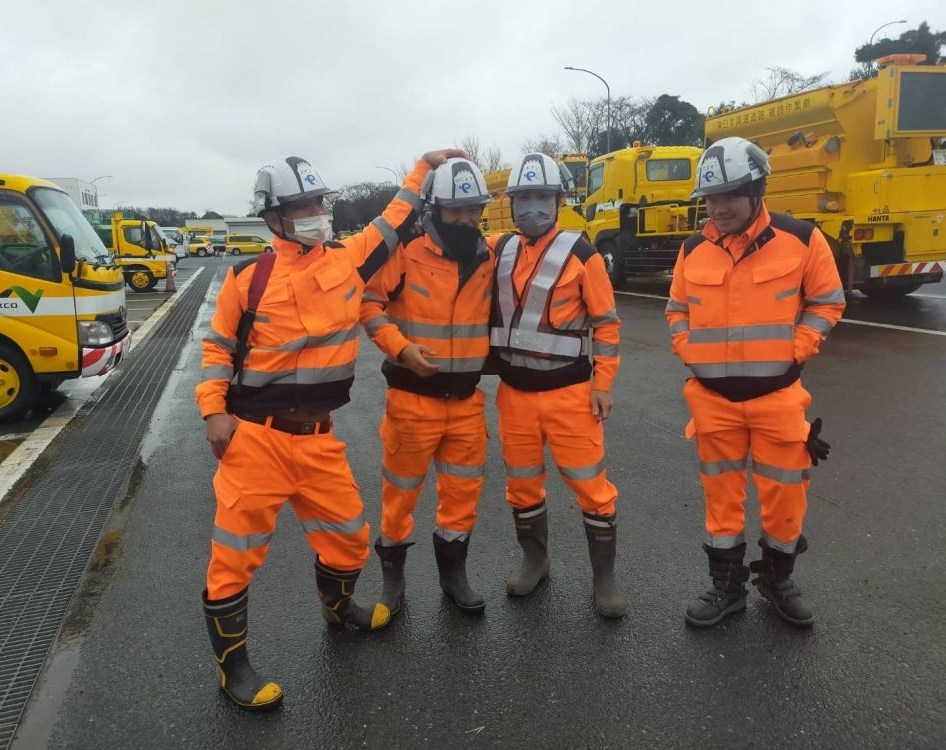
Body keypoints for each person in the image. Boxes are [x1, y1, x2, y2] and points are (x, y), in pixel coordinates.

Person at [196, 148, 465, 710]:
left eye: (321, 202)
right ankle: (233, 668)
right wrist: (213, 410)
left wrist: (422, 167)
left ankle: (339, 610)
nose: (319, 213)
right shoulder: (248, 278)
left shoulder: (347, 259)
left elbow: (393, 218)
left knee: (348, 538)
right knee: (235, 558)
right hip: (255, 439)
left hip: (319, 438)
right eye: (304, 206)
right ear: (274, 218)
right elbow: (218, 347)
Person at [666, 136, 845, 629]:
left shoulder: (802, 239)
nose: (718, 208)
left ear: (757, 190)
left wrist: (797, 348)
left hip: (778, 399)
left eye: (729, 196)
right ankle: (727, 587)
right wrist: (688, 349)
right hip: (712, 402)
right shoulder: (692, 250)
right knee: (721, 501)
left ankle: (776, 579)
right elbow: (677, 310)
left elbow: (828, 300)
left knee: (786, 496)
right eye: (710, 198)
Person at [488, 152, 626, 619]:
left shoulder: (583, 255)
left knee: (592, 487)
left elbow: (606, 324)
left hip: (570, 396)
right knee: (522, 485)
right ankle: (536, 561)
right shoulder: (500, 249)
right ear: (510, 203)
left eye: (542, 197)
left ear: (559, 201)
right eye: (523, 197)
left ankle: (604, 579)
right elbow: (454, 240)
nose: (532, 207)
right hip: (515, 397)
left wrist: (603, 383)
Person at [360, 158, 494, 616]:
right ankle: (393, 583)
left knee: (462, 497)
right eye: (457, 210)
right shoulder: (406, 253)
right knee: (399, 496)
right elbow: (369, 305)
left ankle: (454, 577)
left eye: (474, 209)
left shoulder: (488, 257)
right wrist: (400, 349)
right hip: (412, 403)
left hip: (467, 405)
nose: (467, 219)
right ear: (434, 209)